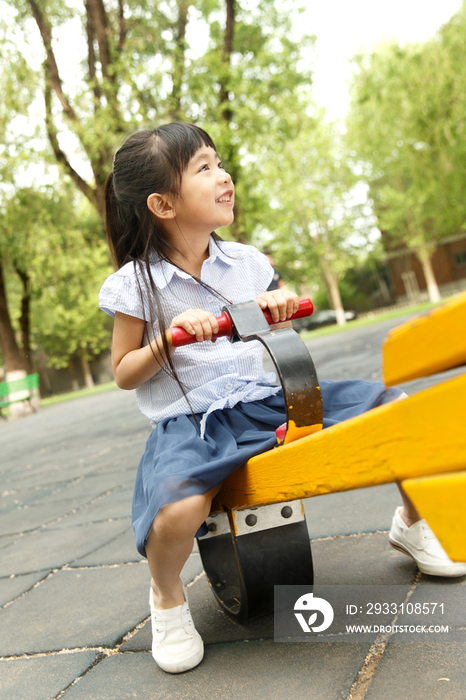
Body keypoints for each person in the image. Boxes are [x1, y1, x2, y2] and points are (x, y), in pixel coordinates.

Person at [99, 123, 466, 675]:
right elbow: (125, 372)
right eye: (204, 168)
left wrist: (282, 306)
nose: (223, 177)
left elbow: (285, 317)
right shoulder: (136, 285)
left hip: (270, 396)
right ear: (162, 203)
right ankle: (167, 596)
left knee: (398, 412)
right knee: (176, 512)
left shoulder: (246, 261)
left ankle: (411, 524)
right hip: (197, 423)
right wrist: (167, 339)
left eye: (219, 163)